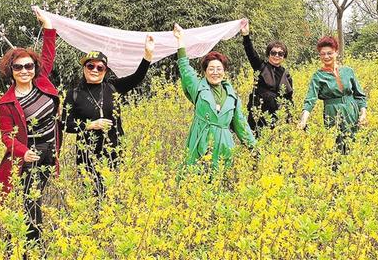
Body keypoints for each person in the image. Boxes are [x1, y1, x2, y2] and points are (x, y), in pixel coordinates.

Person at [0, 6, 60, 244]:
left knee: (34, 197)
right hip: (29, 155)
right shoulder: (6, 102)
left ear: (34, 69)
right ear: (11, 70)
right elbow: (7, 136)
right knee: (31, 199)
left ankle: (20, 241)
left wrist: (48, 26)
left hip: (50, 151)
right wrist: (24, 152)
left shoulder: (42, 81)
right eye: (18, 67)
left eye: (28, 66)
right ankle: (31, 247)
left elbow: (48, 55)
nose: (24, 71)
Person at [62, 36, 154, 197]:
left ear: (105, 71)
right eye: (90, 66)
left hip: (114, 151)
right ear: (84, 68)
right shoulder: (74, 94)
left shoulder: (113, 87)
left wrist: (147, 54)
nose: (94, 70)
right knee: (93, 195)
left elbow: (137, 77)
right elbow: (65, 124)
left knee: (114, 196)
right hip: (87, 155)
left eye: (100, 68)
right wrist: (90, 125)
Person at [173, 23, 256, 171]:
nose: (215, 72)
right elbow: (185, 69)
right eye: (211, 69)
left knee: (219, 181)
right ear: (205, 71)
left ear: (224, 71)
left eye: (219, 69)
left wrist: (254, 149)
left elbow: (241, 125)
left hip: (223, 147)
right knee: (194, 178)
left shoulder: (233, 97)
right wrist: (180, 40)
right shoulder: (198, 88)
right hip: (200, 143)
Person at [298, 36, 367, 155]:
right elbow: (310, 99)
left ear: (336, 52)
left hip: (351, 110)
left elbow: (359, 95)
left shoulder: (348, 71)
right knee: (336, 147)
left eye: (329, 53)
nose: (326, 57)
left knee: (354, 145)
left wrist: (363, 113)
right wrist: (303, 120)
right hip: (331, 112)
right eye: (322, 54)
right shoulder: (318, 76)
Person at [240, 18, 293, 137]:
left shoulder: (286, 75)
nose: (277, 55)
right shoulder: (260, 67)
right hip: (258, 115)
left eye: (280, 53)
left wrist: (290, 118)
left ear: (284, 56)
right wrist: (246, 35)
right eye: (273, 52)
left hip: (277, 117)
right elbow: (251, 53)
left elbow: (289, 99)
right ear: (269, 53)